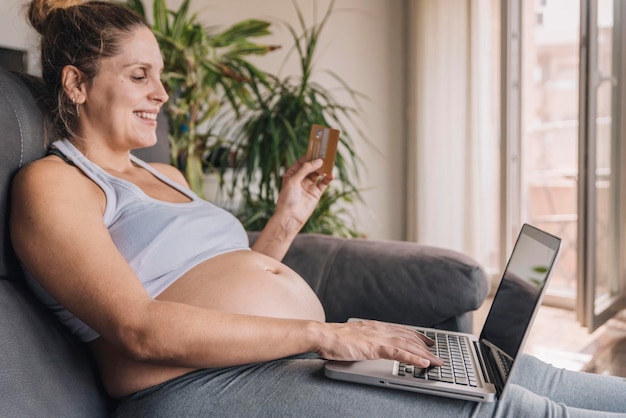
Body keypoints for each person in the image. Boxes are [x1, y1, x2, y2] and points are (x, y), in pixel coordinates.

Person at [10, 1, 626, 416]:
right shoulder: (55, 185)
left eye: (161, 75)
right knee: (510, 408)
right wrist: (328, 335)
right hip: (193, 386)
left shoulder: (160, 171)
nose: (162, 94)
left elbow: (212, 277)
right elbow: (140, 328)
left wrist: (285, 221)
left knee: (537, 378)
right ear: (76, 84)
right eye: (140, 75)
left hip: (278, 355)